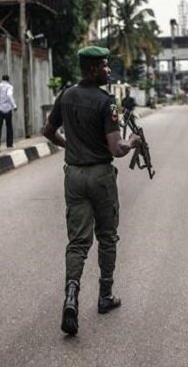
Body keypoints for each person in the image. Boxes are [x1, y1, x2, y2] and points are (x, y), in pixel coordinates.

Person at [42, 46, 141, 336]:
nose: (108, 70)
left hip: (73, 176)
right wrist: (133, 140)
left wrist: (69, 146)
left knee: (77, 242)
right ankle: (105, 296)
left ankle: (71, 295)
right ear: (91, 69)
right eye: (104, 66)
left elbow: (47, 132)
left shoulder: (66, 96)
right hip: (100, 176)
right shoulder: (105, 102)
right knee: (107, 236)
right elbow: (117, 148)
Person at [0, 75, 18, 153]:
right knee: (9, 126)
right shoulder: (9, 87)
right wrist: (14, 106)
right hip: (7, 109)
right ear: (8, 80)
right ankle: (9, 144)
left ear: (2, 79)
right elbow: (9, 95)